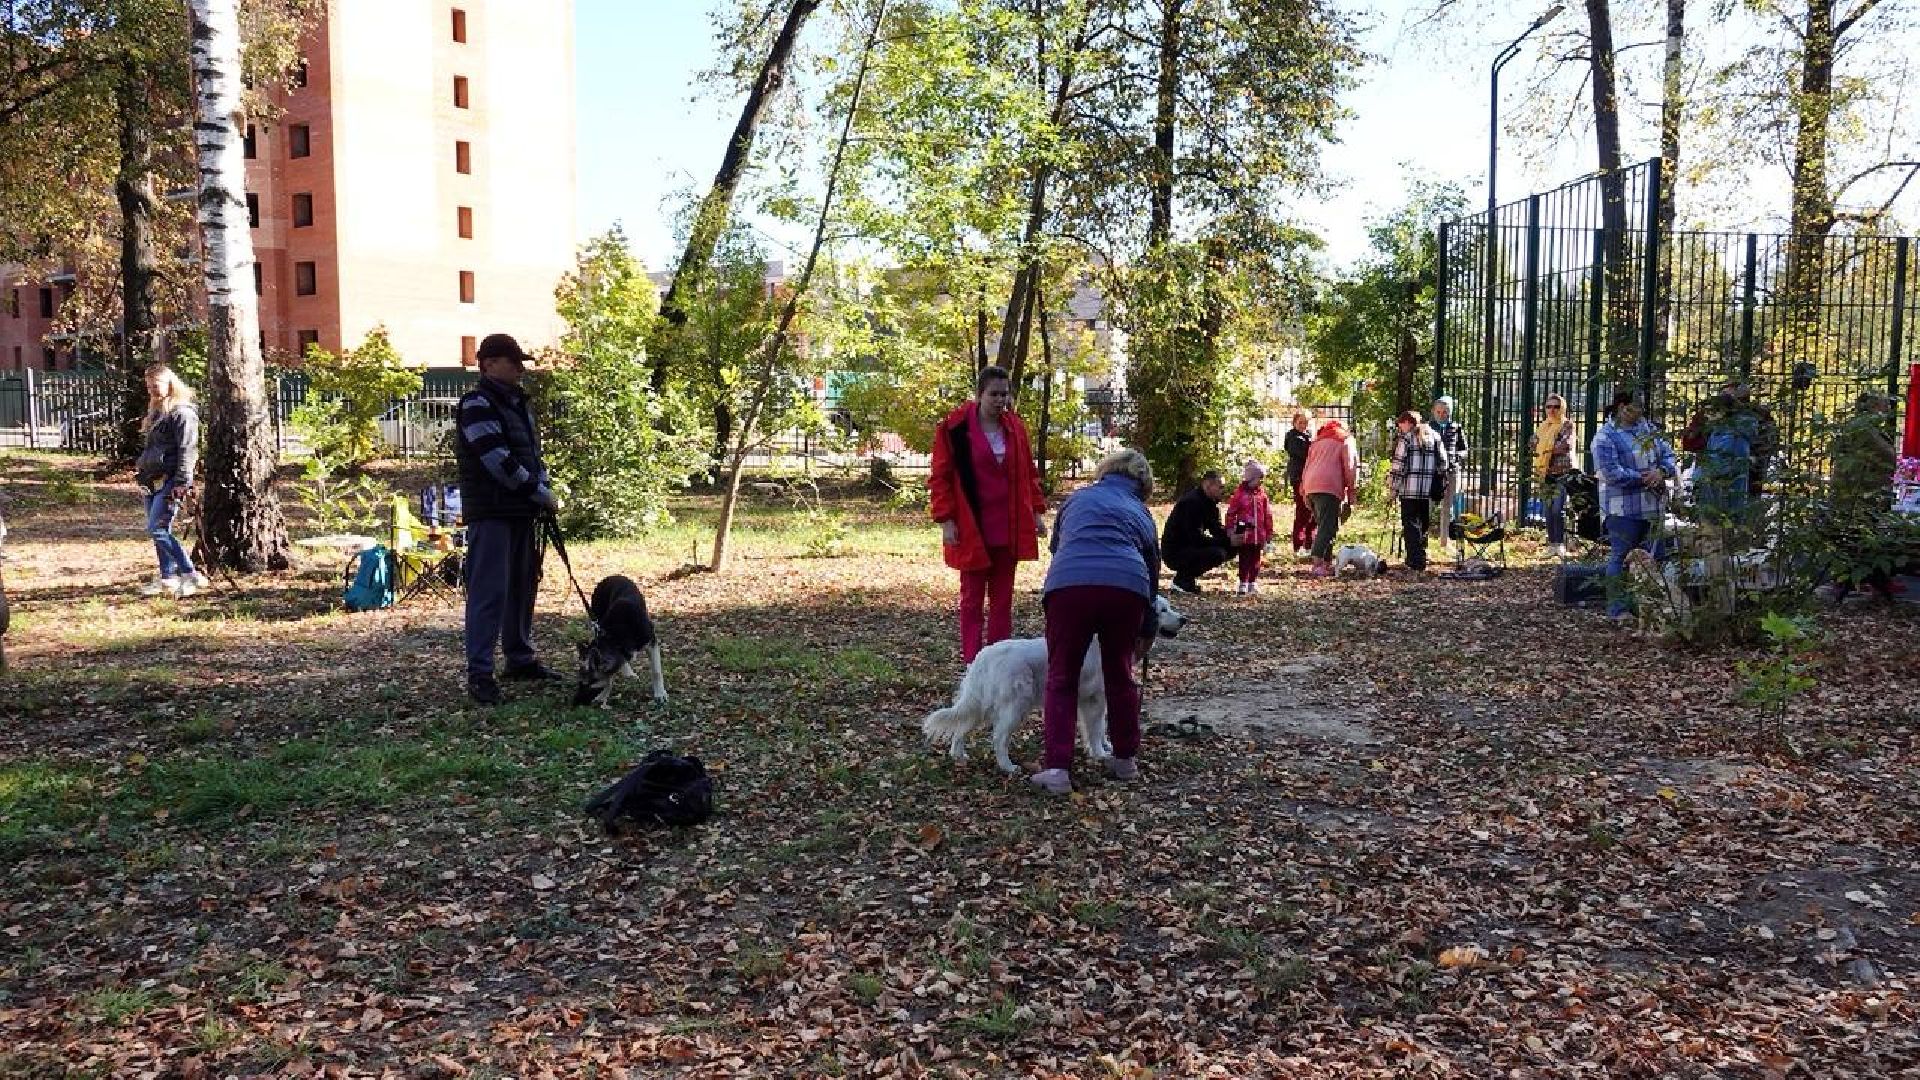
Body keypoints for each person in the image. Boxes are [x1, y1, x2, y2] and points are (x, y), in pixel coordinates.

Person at [1030, 449, 1160, 795]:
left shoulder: (1077, 499)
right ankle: (1125, 759)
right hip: (1126, 587)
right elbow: (1153, 572)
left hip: (1070, 585)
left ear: (1105, 472)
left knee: (1061, 676)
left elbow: (1058, 548)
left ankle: (1057, 768)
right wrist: (1146, 630)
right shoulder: (1142, 513)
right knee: (1119, 675)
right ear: (1142, 483)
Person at [457, 333, 561, 705]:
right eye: (512, 361)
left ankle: (520, 657)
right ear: (488, 364)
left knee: (522, 586)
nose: (519, 368)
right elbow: (497, 459)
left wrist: (542, 488)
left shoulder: (517, 404)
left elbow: (533, 455)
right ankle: (480, 673)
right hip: (492, 512)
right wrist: (537, 490)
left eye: (520, 361)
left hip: (520, 511)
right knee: (489, 592)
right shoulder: (477, 404)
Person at [930, 365, 1047, 663]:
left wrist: (1035, 512)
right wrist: (946, 520)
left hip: (1009, 526)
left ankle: (999, 662)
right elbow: (940, 477)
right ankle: (973, 662)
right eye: (994, 394)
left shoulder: (1015, 427)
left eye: (1005, 394)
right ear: (979, 394)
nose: (1000, 401)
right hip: (972, 527)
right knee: (971, 600)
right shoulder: (954, 429)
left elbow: (1028, 475)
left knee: (1002, 600)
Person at [1592, 391, 1676, 622]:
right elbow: (1609, 472)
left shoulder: (1648, 430)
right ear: (1622, 407)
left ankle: (1653, 607)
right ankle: (1617, 609)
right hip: (1622, 508)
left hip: (1652, 505)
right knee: (1620, 557)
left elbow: (1669, 454)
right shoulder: (1605, 436)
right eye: (1635, 406)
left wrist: (1663, 471)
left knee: (1656, 556)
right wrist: (1644, 478)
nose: (1640, 411)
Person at [133, 363, 207, 598]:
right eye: (148, 387)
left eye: (155, 386)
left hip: (170, 480)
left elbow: (188, 450)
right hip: (150, 480)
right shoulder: (157, 413)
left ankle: (190, 574)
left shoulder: (183, 413)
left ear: (169, 385)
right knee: (159, 530)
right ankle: (168, 578)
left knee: (157, 528)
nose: (152, 391)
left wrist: (182, 483)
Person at [1825, 391, 1899, 600]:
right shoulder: (1864, 428)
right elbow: (1886, 455)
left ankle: (1867, 578)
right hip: (1858, 494)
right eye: (1884, 405)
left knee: (1860, 535)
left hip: (1863, 492)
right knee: (1855, 536)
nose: (1887, 410)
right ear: (1874, 407)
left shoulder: (1866, 427)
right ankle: (1851, 579)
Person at [1387, 411, 1448, 573]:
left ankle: (1415, 559)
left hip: (1409, 490)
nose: (1400, 427)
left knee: (1410, 524)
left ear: (1408, 422)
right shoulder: (1434, 436)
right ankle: (1421, 555)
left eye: (1400, 424)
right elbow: (1443, 463)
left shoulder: (1406, 439)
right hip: (1427, 491)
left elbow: (1398, 466)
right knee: (1423, 524)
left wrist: (1392, 488)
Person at [1301, 418, 1357, 577]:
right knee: (1328, 526)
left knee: (1325, 524)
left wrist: (1304, 490)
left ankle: (1326, 562)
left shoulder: (1317, 441)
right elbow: (1350, 466)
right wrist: (1351, 489)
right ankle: (1318, 562)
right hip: (1330, 485)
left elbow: (1307, 465)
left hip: (1311, 484)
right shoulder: (1345, 439)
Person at [1161, 470, 1233, 593]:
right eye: (1220, 487)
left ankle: (1187, 579)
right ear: (1207, 485)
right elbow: (1195, 537)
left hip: (1190, 546)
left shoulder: (1210, 504)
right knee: (1218, 553)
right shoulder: (1191, 502)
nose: (1223, 491)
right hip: (1175, 551)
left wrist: (1232, 537)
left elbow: (1216, 529)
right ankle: (1182, 580)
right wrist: (1226, 541)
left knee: (1230, 548)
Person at [1533, 393, 1576, 556]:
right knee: (1548, 510)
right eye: (1548, 406)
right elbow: (1532, 444)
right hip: (1545, 473)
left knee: (1558, 509)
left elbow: (1565, 446)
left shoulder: (1567, 425)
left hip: (1562, 473)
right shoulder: (1543, 427)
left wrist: (1545, 449)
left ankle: (1560, 544)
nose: (1552, 410)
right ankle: (1552, 544)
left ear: (1562, 408)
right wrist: (1547, 449)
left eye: (1556, 406)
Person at [1223, 459, 1273, 594]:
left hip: (1259, 534)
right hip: (1244, 533)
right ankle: (1243, 582)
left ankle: (1252, 582)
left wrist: (1269, 532)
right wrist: (1230, 529)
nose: (1261, 481)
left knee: (1256, 559)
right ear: (1251, 478)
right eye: (1259, 478)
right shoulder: (1239, 495)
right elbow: (1231, 513)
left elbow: (1267, 514)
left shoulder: (1262, 495)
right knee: (1244, 558)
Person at [1431, 396, 1470, 556]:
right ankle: (1423, 540)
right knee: (1428, 505)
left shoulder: (1456, 427)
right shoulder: (1428, 427)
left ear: (1450, 412)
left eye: (1445, 412)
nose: (1441, 415)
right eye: (1438, 412)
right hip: (1433, 472)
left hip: (1452, 471)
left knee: (1448, 506)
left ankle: (1445, 541)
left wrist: (1456, 456)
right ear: (1434, 412)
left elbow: (1465, 449)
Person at [1283, 410, 1315, 556]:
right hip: (1299, 477)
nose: (1303, 425)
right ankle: (1299, 544)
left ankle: (1309, 542)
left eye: (1306, 423)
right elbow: (1304, 454)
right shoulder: (1294, 438)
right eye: (1300, 422)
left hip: (1309, 477)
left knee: (1311, 511)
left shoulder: (1306, 436)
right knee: (1303, 510)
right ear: (1294, 422)